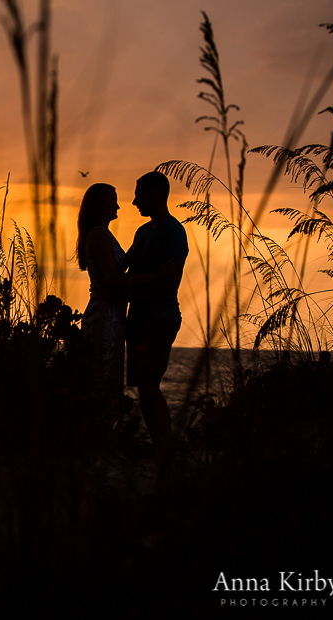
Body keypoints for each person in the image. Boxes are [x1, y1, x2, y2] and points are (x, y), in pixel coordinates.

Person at [76, 183, 175, 392]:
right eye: (113, 201)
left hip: (114, 312)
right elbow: (114, 277)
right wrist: (156, 276)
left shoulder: (105, 234)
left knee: (110, 375)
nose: (118, 207)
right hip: (104, 313)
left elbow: (125, 261)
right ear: (100, 204)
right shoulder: (99, 235)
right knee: (103, 378)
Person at [124, 171, 189, 454]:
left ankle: (166, 446)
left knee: (150, 383)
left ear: (155, 194)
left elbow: (169, 283)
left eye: (139, 194)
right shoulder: (142, 232)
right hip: (138, 317)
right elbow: (125, 264)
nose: (134, 201)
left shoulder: (173, 232)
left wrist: (133, 293)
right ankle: (160, 444)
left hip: (159, 318)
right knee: (143, 385)